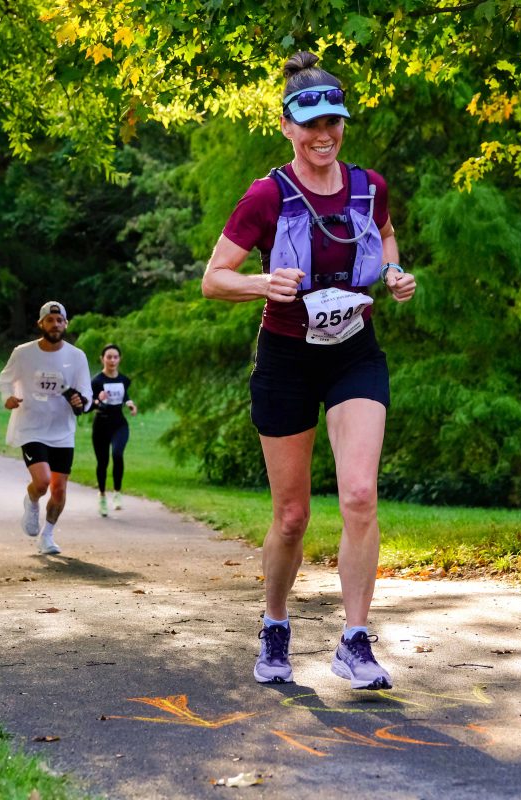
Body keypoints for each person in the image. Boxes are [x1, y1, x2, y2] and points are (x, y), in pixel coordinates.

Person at [201, 52, 417, 690]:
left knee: (360, 495)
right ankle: (275, 624)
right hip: (287, 359)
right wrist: (262, 283)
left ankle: (355, 641)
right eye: (311, 124)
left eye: (334, 123)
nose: (324, 135)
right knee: (292, 516)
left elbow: (384, 237)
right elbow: (214, 279)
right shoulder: (266, 196)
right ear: (288, 127)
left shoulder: (368, 186)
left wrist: (393, 273)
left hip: (354, 353)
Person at [0, 301, 92, 555]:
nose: (55, 324)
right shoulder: (23, 353)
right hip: (31, 426)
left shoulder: (77, 357)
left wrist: (80, 401)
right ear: (41, 324)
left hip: (62, 430)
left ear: (66, 324)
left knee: (59, 489)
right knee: (42, 482)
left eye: (59, 320)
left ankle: (47, 535)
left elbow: (86, 393)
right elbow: (5, 379)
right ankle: (31, 500)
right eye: (50, 320)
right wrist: (7, 397)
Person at [90, 343, 139, 517]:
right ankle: (102, 496)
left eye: (115, 357)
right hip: (101, 425)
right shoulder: (97, 381)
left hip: (119, 424)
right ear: (102, 359)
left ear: (120, 359)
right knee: (102, 462)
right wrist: (98, 400)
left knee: (117, 454)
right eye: (109, 357)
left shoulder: (124, 379)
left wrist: (130, 404)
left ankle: (117, 493)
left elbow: (125, 395)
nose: (112, 360)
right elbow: (89, 404)